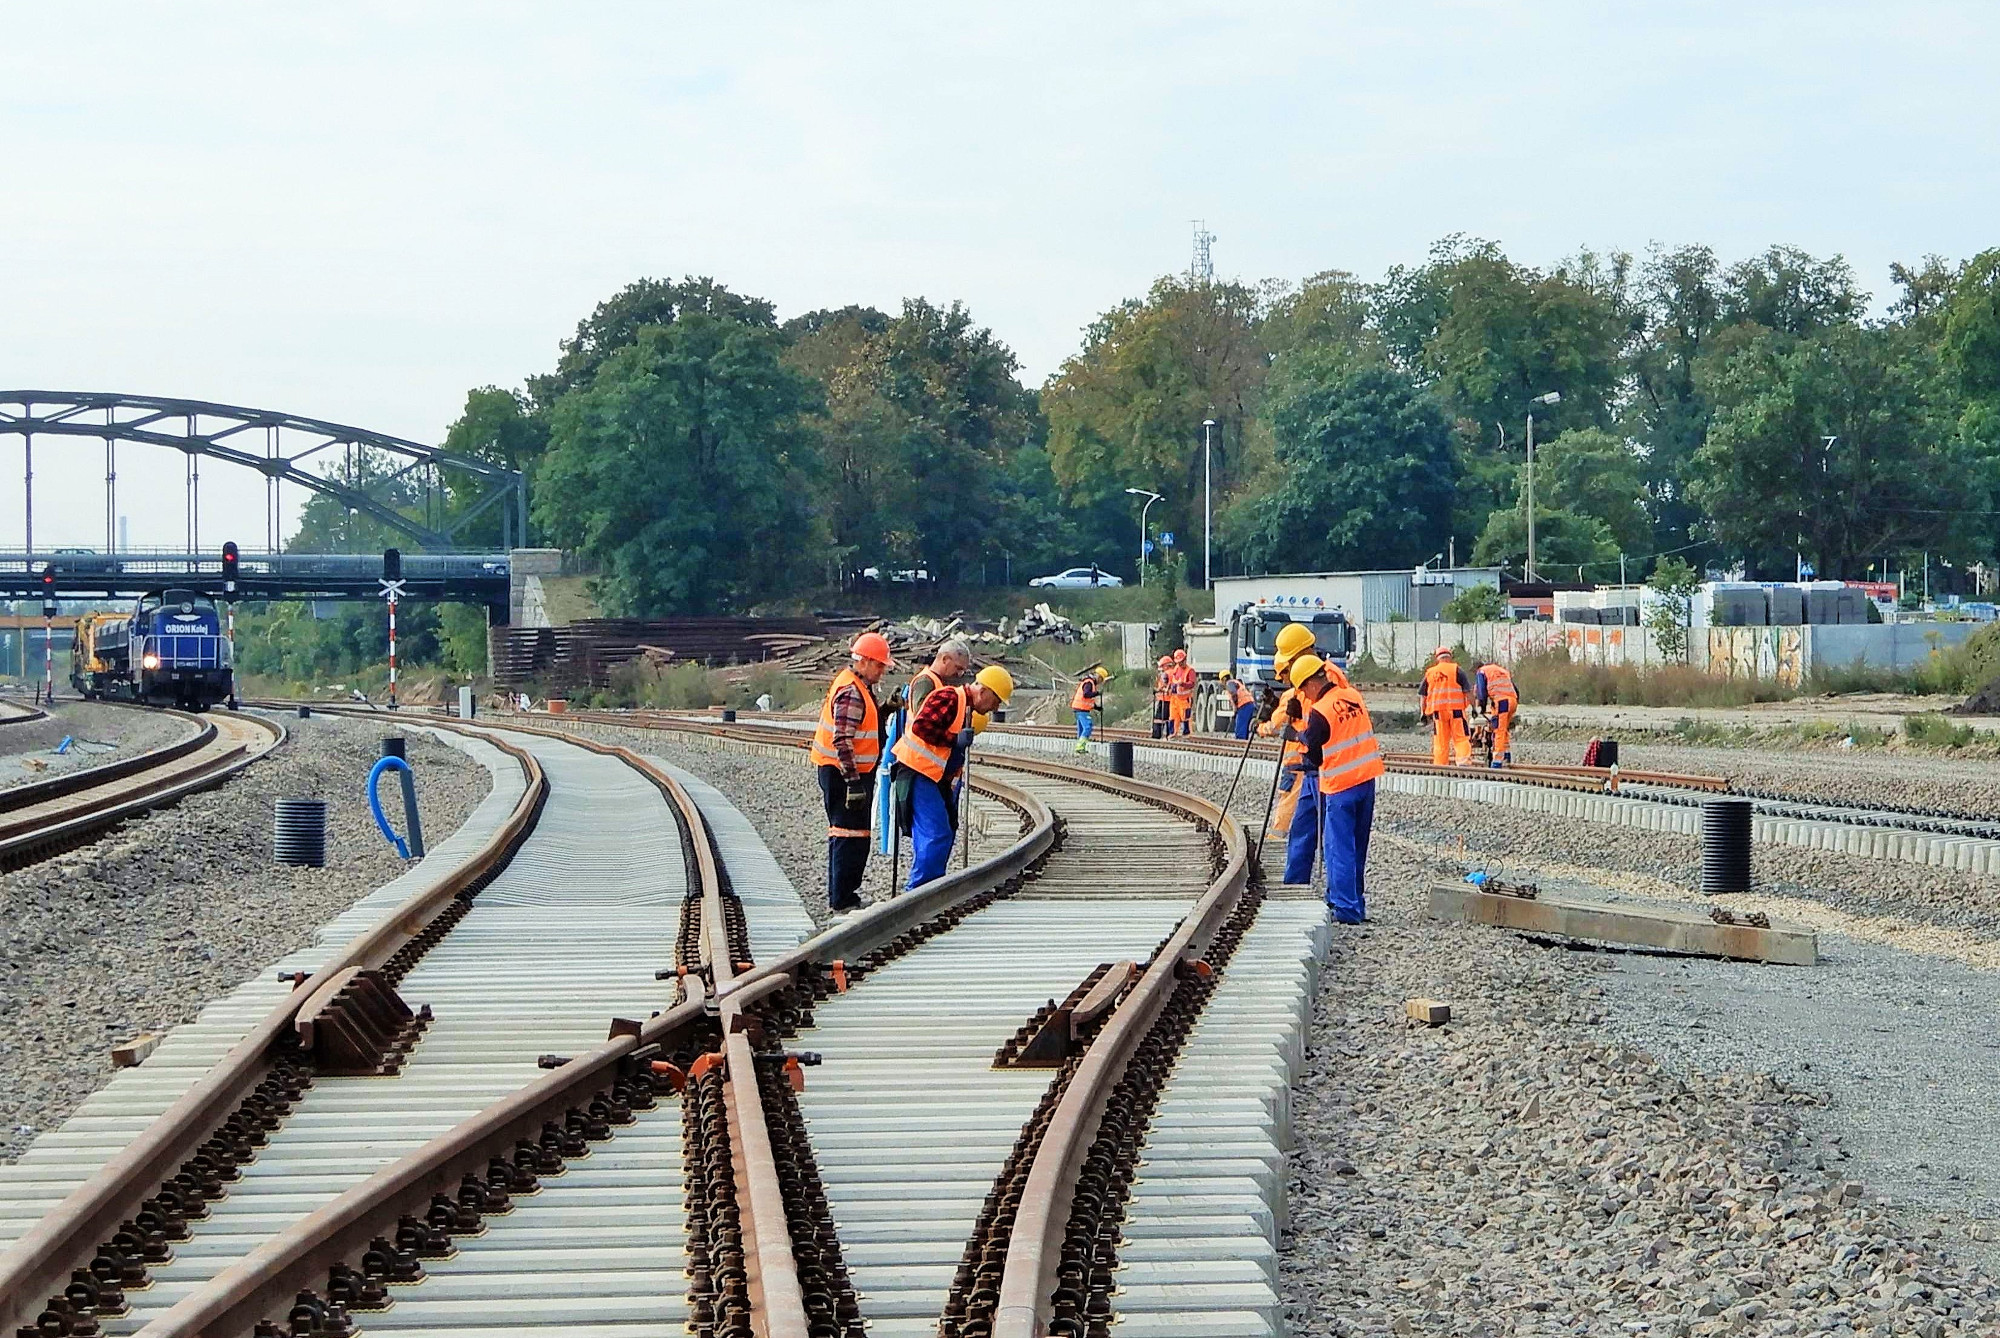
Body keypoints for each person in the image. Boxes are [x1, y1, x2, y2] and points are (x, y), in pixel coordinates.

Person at [892, 665, 1014, 890]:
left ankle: (933, 890)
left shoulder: (963, 706)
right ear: (984, 691)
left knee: (944, 830)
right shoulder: (949, 697)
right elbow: (921, 726)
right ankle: (918, 893)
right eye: (996, 701)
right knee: (935, 834)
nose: (996, 707)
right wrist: (954, 739)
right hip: (918, 772)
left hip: (933, 776)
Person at [1288, 654, 1382, 924]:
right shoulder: (1352, 695)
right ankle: (1357, 904)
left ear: (1311, 683)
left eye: (1303, 689)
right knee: (1358, 846)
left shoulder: (1320, 711)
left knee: (1339, 848)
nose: (1305, 695)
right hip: (1366, 780)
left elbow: (1313, 754)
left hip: (1340, 787)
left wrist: (1297, 734)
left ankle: (1345, 908)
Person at [810, 632, 892, 915]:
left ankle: (844, 896)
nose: (882, 671)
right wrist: (853, 782)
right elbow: (843, 740)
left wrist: (885, 711)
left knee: (854, 833)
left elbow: (859, 727)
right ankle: (842, 900)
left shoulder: (857, 686)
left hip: (844, 772)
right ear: (864, 661)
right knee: (848, 834)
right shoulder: (852, 691)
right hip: (844, 774)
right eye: (879, 665)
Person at [1259, 621, 1322, 877]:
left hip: (1301, 762)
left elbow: (1275, 725)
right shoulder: (1325, 678)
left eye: (1284, 672)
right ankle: (1294, 873)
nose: (1284, 678)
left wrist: (1260, 727)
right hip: (1309, 760)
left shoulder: (1295, 693)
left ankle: (1277, 843)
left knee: (1290, 811)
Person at [1419, 646, 1475, 766]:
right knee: (1461, 737)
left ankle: (1440, 765)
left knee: (1441, 740)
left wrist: (1423, 713)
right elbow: (1468, 692)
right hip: (1456, 710)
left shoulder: (1430, 673)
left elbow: (1423, 696)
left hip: (1438, 712)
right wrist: (1474, 707)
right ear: (1450, 657)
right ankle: (1463, 762)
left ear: (1437, 658)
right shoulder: (1457, 670)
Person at [906, 637, 971, 718]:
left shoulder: (938, 681)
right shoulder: (925, 682)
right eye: (958, 668)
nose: (960, 674)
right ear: (945, 659)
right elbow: (922, 719)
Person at [1474, 659, 1518, 766]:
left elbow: (1481, 691)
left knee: (1498, 730)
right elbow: (1515, 689)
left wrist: (1482, 707)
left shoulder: (1481, 672)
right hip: (1513, 701)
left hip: (1502, 702)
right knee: (1504, 729)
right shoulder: (1501, 670)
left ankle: (1497, 761)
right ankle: (1506, 755)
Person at [1070, 667, 1105, 752]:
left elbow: (1088, 701)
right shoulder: (1089, 683)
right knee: (1087, 727)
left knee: (1082, 729)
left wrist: (1097, 708)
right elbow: (1086, 694)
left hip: (1079, 708)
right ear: (1098, 676)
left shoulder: (1089, 683)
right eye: (1101, 679)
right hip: (1081, 709)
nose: (1100, 681)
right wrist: (1097, 693)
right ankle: (1080, 747)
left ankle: (1079, 748)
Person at [1167, 648, 1194, 737]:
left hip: (1184, 699)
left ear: (1185, 660)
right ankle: (1173, 733)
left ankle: (1187, 733)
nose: (1180, 664)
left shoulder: (1190, 670)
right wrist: (1169, 688)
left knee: (1185, 717)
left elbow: (1192, 684)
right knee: (1173, 716)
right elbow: (1172, 680)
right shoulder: (1176, 668)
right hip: (1174, 698)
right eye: (1178, 662)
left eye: (1181, 662)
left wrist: (1183, 684)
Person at [1225, 675, 1257, 740]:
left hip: (1244, 705)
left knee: (1241, 724)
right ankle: (1244, 741)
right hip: (1250, 703)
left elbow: (1233, 693)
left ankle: (1240, 741)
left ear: (1224, 679)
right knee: (1245, 725)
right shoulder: (1236, 682)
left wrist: (1235, 706)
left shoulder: (1229, 683)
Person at [1152, 655, 1172, 739]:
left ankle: (1156, 735)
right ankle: (1169, 735)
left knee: (1159, 719)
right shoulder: (1174, 672)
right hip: (1171, 700)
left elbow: (1164, 685)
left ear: (1166, 665)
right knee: (1169, 719)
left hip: (1164, 699)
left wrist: (1157, 690)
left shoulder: (1166, 674)